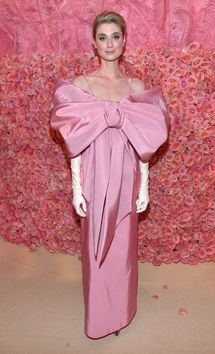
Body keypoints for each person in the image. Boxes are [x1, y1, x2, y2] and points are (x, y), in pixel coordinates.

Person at [50, 10, 170, 339]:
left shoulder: (135, 85)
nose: (109, 43)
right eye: (102, 37)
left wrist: (144, 186)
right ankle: (100, 318)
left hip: (127, 175)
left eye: (115, 37)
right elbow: (74, 141)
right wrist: (77, 188)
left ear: (125, 41)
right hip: (95, 176)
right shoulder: (82, 85)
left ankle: (121, 313)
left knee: (123, 249)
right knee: (95, 247)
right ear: (94, 43)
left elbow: (143, 141)